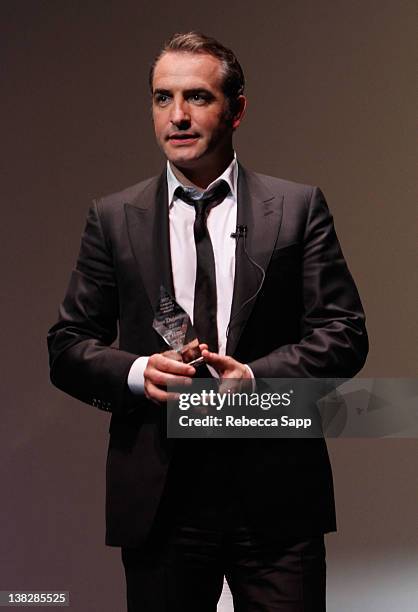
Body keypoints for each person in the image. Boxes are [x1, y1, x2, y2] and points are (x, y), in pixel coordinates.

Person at [48, 31, 368, 612]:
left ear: (237, 109)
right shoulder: (113, 217)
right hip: (162, 502)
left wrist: (257, 379)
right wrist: (137, 371)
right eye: (162, 98)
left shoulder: (296, 208)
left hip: (275, 499)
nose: (177, 116)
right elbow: (68, 346)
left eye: (197, 97)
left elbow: (344, 333)